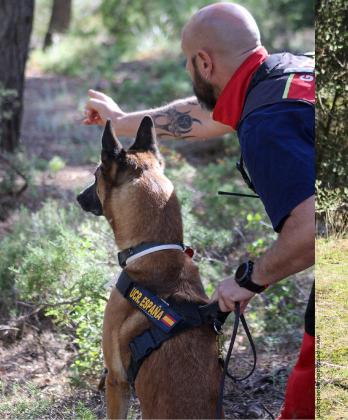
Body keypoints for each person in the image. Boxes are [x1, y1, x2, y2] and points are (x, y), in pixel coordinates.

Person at [83, 3, 315, 418]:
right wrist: (120, 121)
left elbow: (309, 228)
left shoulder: (266, 125)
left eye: (189, 66)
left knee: (309, 378)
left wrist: (250, 279)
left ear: (204, 63)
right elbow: (201, 116)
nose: (190, 74)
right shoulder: (286, 72)